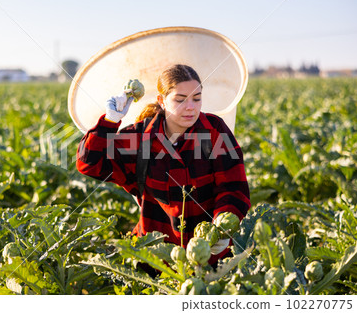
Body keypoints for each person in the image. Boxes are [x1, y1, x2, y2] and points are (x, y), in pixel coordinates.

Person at [76, 64, 250, 268]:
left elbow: (233, 187)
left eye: (196, 98)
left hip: (211, 258)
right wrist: (110, 121)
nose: (190, 107)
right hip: (156, 259)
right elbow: (89, 163)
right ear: (162, 101)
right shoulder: (140, 138)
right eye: (180, 99)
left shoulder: (214, 130)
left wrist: (222, 227)